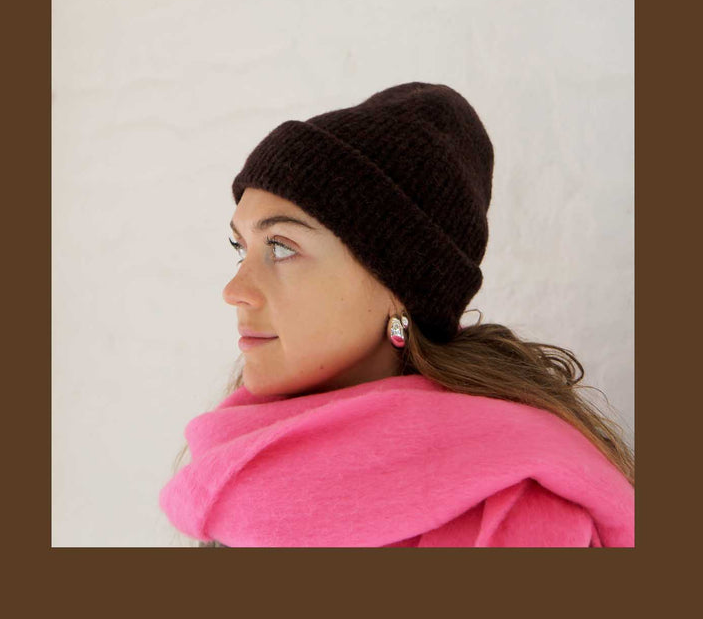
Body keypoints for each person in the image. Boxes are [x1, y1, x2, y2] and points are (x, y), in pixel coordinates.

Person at [159, 82, 634, 547]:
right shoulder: (232, 468)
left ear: (398, 285)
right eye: (240, 248)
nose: (234, 291)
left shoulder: (518, 514)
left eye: (281, 247)